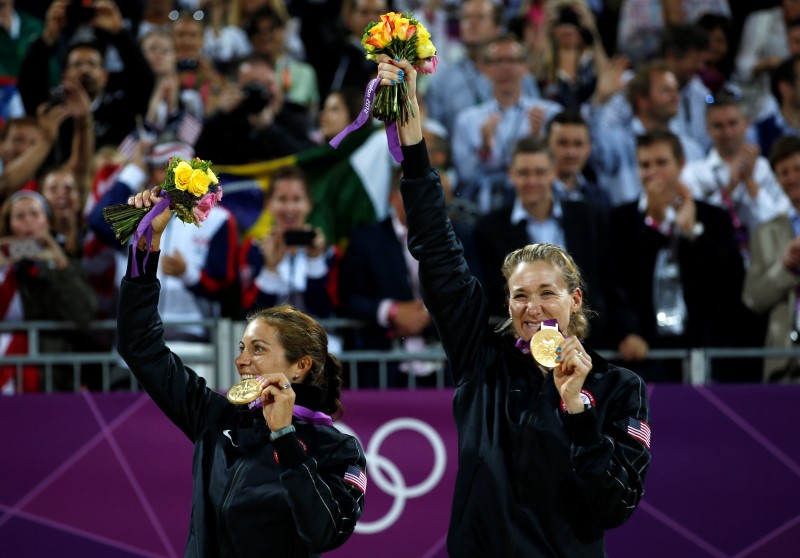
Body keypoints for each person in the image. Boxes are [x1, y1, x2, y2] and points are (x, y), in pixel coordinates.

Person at [377, 54, 651, 556]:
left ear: (575, 299)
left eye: (547, 293)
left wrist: (577, 409)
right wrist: (414, 148)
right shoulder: (482, 358)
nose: (532, 306)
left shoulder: (618, 388)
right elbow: (439, 252)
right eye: (520, 295)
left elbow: (616, 505)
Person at [116, 187, 367, 555]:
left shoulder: (337, 450)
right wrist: (145, 244)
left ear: (300, 366)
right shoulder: (216, 418)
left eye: (258, 349)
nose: (241, 361)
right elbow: (139, 346)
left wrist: (283, 435)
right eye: (241, 348)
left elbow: (324, 533)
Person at [743, 135, 800, 382]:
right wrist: (786, 266)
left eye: (798, 169)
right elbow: (752, 298)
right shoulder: (764, 233)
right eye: (783, 172)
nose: (792, 178)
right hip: (784, 361)